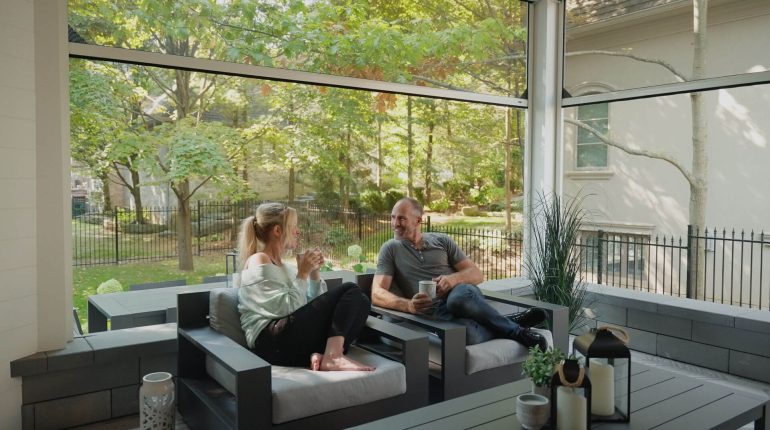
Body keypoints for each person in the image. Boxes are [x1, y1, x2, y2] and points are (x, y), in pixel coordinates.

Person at [371, 197, 548, 350]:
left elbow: (476, 274)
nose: (395, 224)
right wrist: (409, 305)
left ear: (418, 221)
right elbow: (377, 293)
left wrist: (452, 279)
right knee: (468, 336)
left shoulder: (441, 241)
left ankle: (518, 333)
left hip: (462, 296)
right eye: (393, 218)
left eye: (401, 218)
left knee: (458, 299)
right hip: (438, 314)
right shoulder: (390, 249)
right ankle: (510, 322)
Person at [236, 202, 374, 371]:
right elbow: (284, 310)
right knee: (350, 289)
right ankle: (333, 356)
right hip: (269, 342)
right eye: (293, 226)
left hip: (289, 340)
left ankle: (324, 355)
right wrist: (302, 274)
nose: (298, 231)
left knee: (362, 301)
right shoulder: (259, 259)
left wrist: (313, 273)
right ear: (278, 230)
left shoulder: (286, 267)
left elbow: (309, 307)